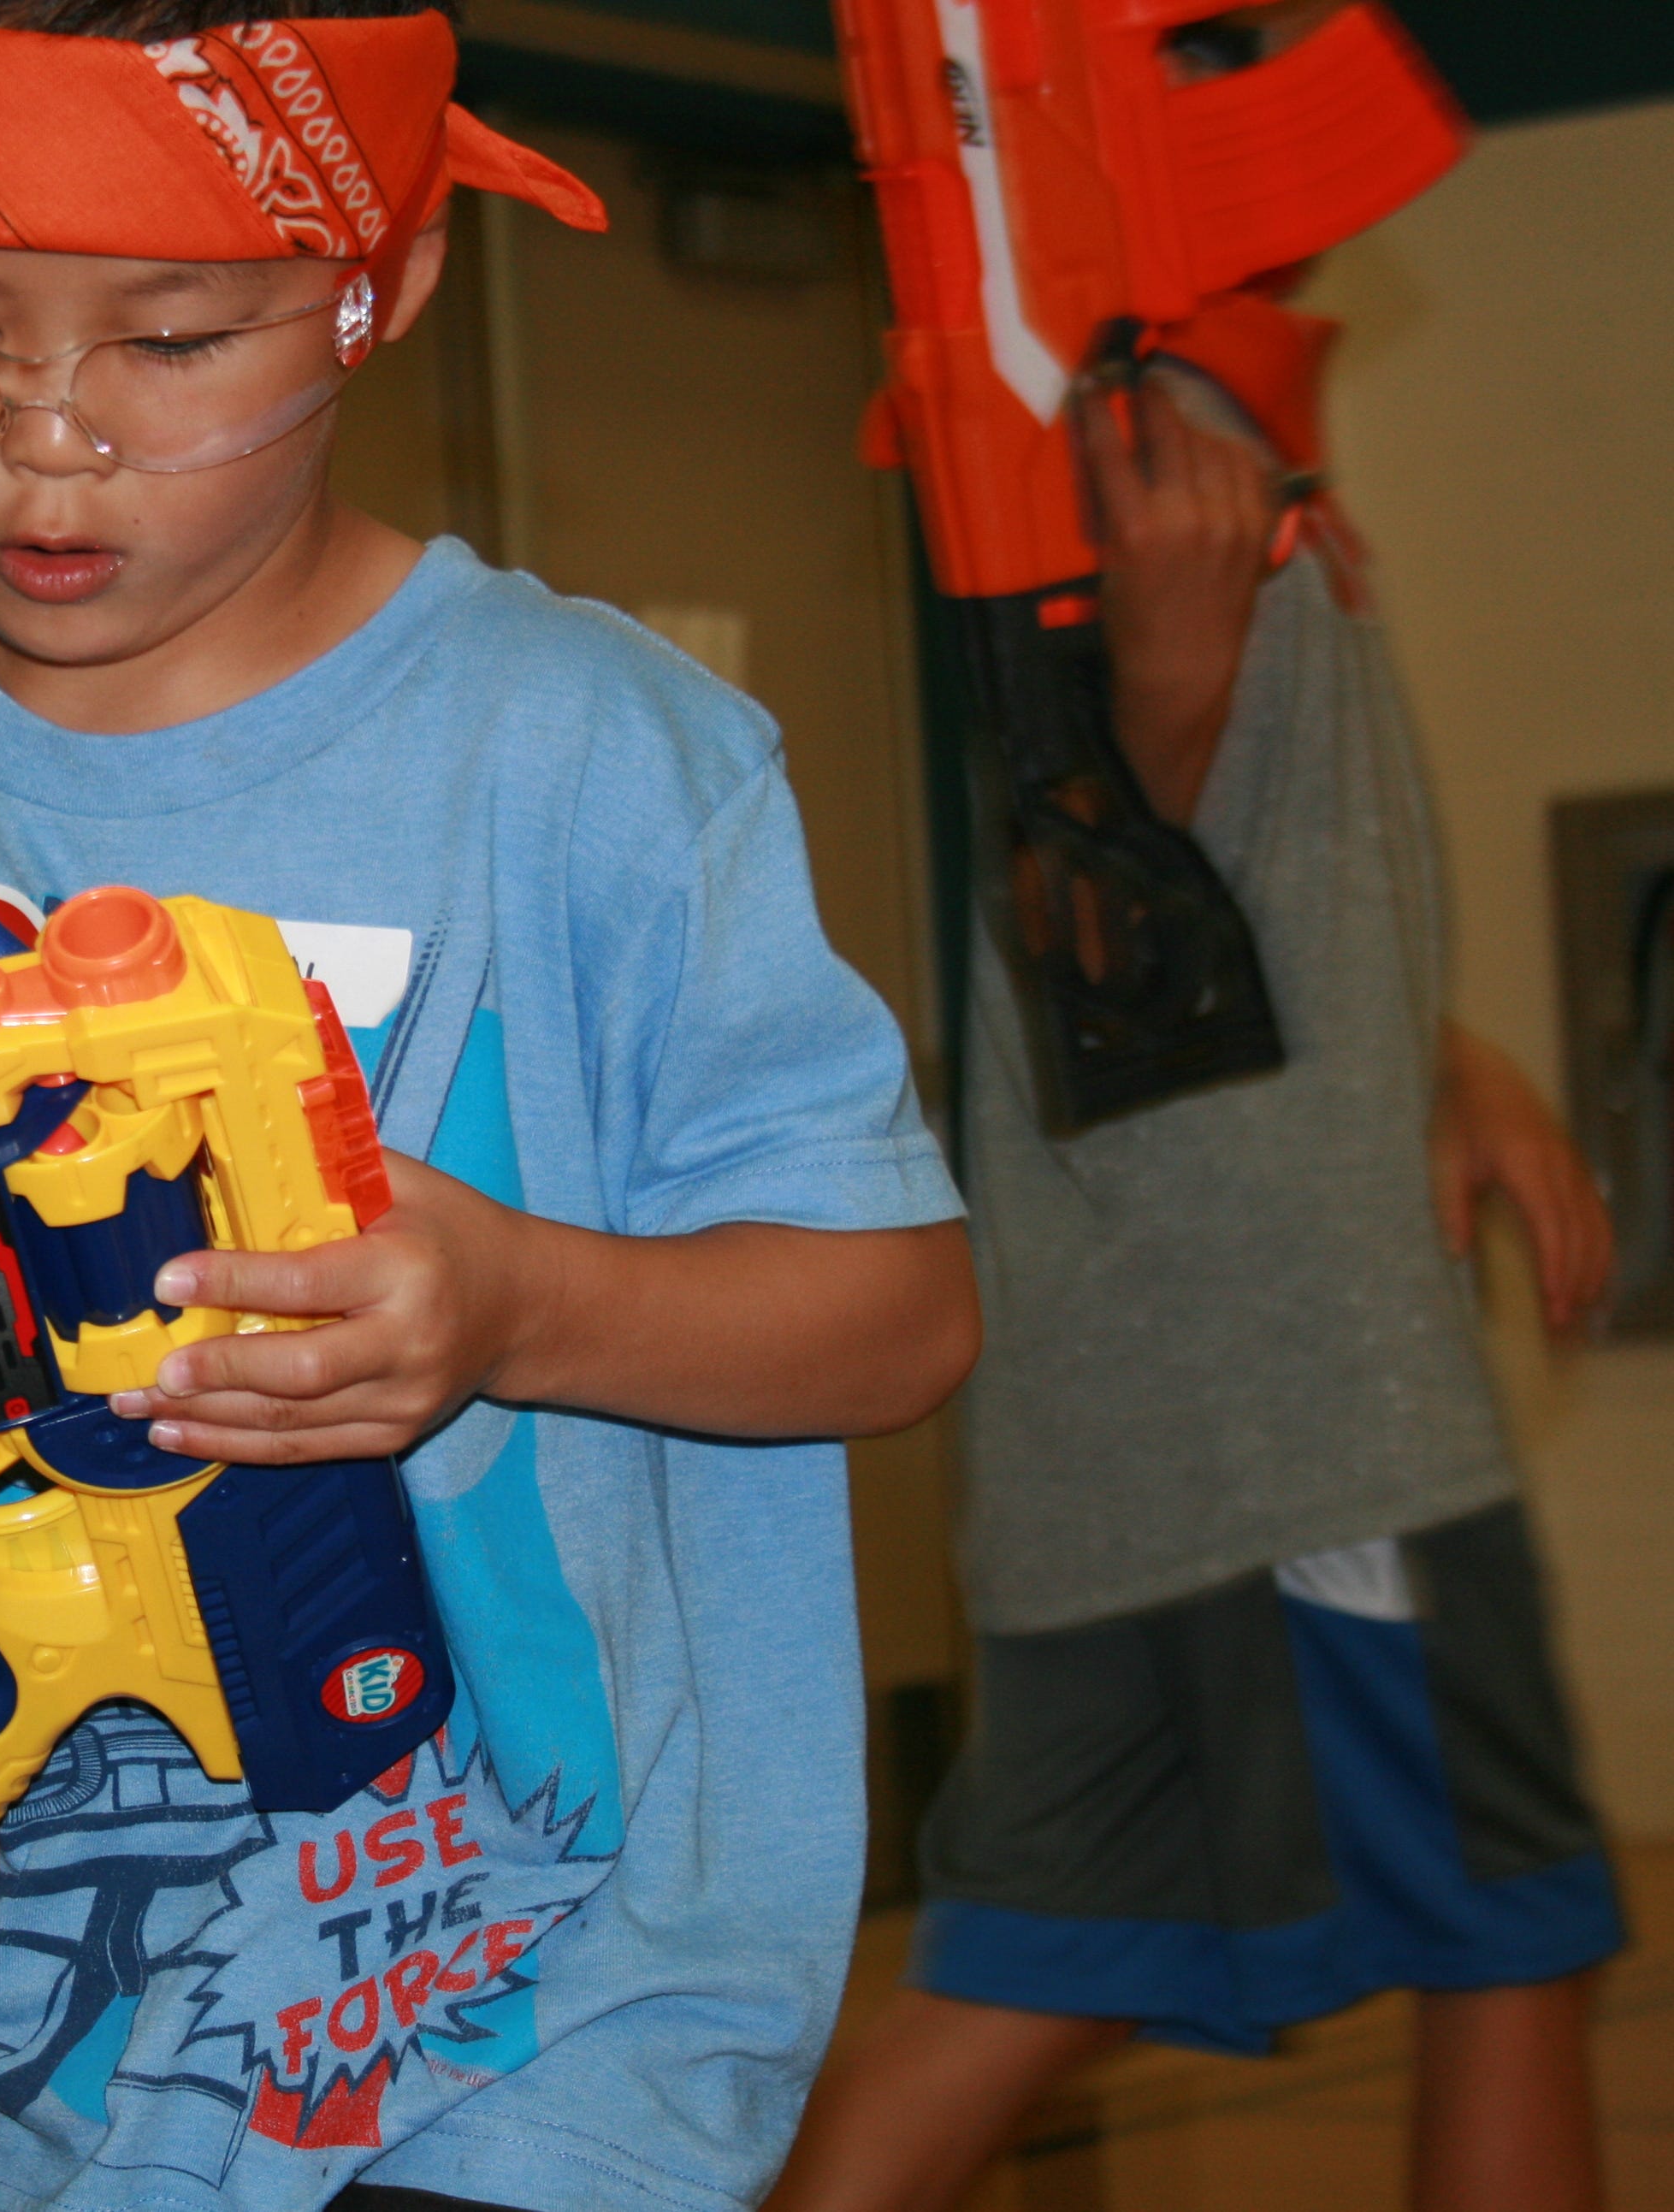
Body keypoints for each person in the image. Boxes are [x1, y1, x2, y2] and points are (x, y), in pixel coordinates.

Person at [0, 4, 979, 2207]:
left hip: (542, 2041)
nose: (48, 446)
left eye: (172, 338)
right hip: (19, 2090)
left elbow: (900, 1318)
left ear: (373, 292)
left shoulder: (594, 754)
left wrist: (513, 1309)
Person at [769, 6, 1625, 2209]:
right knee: (1511, 1933)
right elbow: (1128, 860)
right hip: (1297, 1428)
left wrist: (1441, 1060)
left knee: (1019, 1976)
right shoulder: (1145, 463)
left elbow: (1233, 916)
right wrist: (1167, 661)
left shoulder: (1179, 449)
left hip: (1125, 1436)